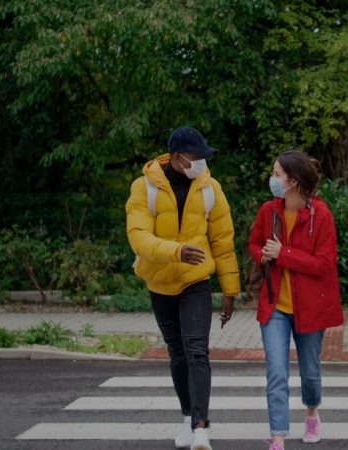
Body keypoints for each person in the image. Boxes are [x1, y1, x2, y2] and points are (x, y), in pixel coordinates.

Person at [126, 126, 240, 450]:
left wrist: (230, 291)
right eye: (196, 156)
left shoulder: (210, 189)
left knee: (197, 351)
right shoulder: (143, 188)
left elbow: (223, 242)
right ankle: (187, 416)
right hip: (160, 281)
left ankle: (201, 427)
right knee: (177, 355)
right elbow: (138, 237)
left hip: (196, 282)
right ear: (177, 157)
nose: (201, 162)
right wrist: (175, 251)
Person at [248, 149, 344, 450]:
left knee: (310, 372)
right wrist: (262, 254)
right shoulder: (268, 211)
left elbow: (324, 265)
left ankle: (312, 411)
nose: (272, 179)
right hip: (275, 305)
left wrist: (283, 254)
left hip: (310, 309)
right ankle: (277, 436)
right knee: (276, 372)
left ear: (292, 181)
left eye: (277, 174)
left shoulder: (322, 216)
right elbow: (253, 242)